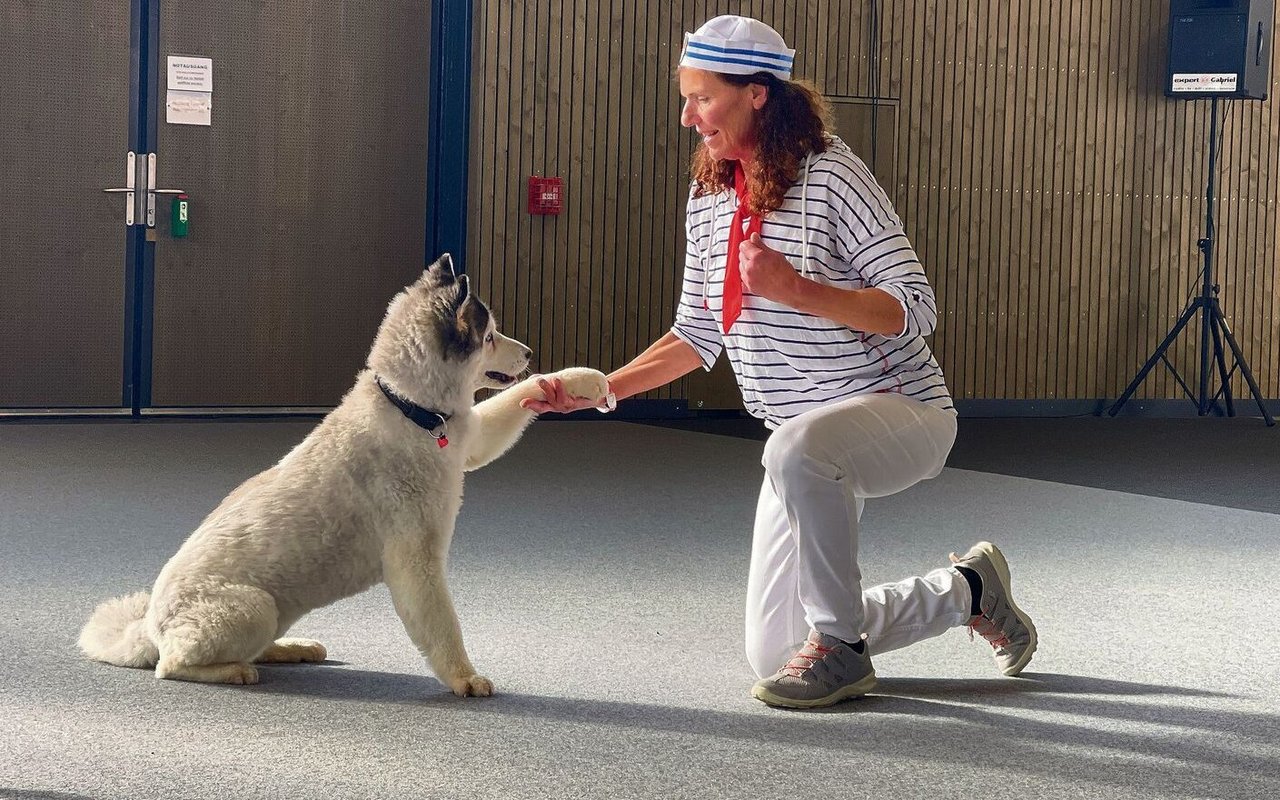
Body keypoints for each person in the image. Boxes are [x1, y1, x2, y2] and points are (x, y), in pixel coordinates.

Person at [524, 14, 1037, 709]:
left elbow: (914, 305)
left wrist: (796, 289)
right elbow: (697, 333)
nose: (687, 115)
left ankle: (843, 653)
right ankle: (966, 592)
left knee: (796, 456)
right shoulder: (708, 198)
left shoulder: (832, 176)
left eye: (702, 96)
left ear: (757, 93)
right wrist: (601, 390)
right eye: (686, 96)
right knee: (771, 649)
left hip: (903, 410)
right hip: (801, 438)